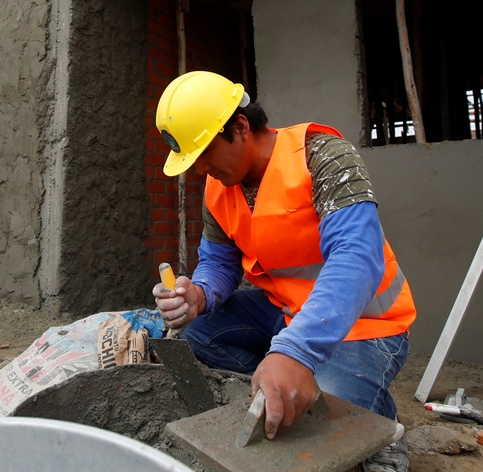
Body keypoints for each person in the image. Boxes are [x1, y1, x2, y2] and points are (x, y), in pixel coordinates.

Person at [152, 71, 416, 472]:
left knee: (311, 423)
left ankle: (381, 425)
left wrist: (295, 352)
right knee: (195, 336)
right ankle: (284, 378)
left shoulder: (323, 156)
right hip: (284, 312)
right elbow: (219, 263)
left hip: (364, 324)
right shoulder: (217, 187)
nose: (200, 168)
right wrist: (199, 294)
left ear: (240, 127)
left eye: (204, 153)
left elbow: (357, 258)